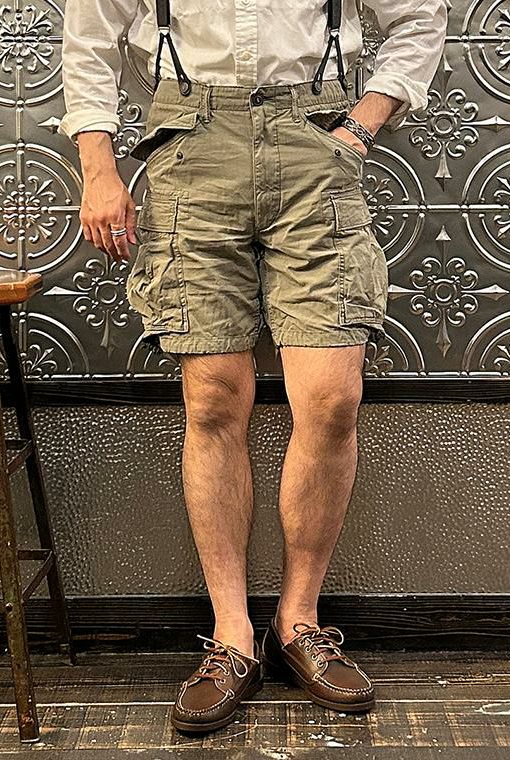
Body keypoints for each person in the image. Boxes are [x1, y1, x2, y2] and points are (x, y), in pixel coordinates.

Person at [60, 0, 447, 735]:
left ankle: (298, 623)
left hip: (314, 141)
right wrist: (99, 169)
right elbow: (89, 40)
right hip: (190, 147)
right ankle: (232, 636)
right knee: (212, 400)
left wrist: (360, 127)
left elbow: (420, 14)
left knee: (332, 399)